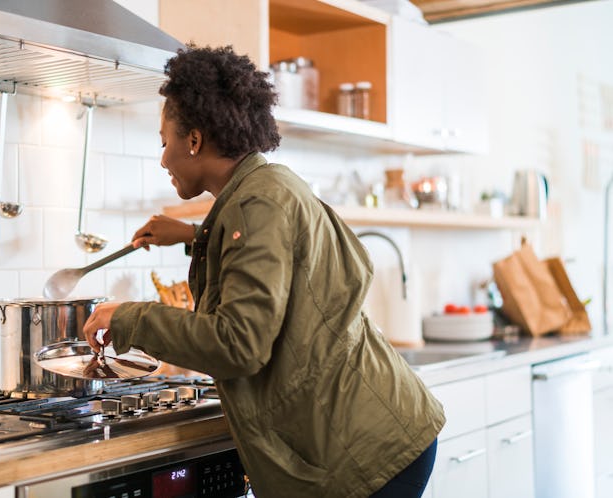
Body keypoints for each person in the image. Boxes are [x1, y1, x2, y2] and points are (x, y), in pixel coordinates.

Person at [82, 45, 445, 498]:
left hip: (365, 449)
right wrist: (196, 235)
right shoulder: (264, 187)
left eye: (164, 141)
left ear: (194, 140)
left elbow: (239, 344)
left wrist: (128, 317)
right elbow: (281, 262)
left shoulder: (257, 203)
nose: (162, 158)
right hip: (373, 430)